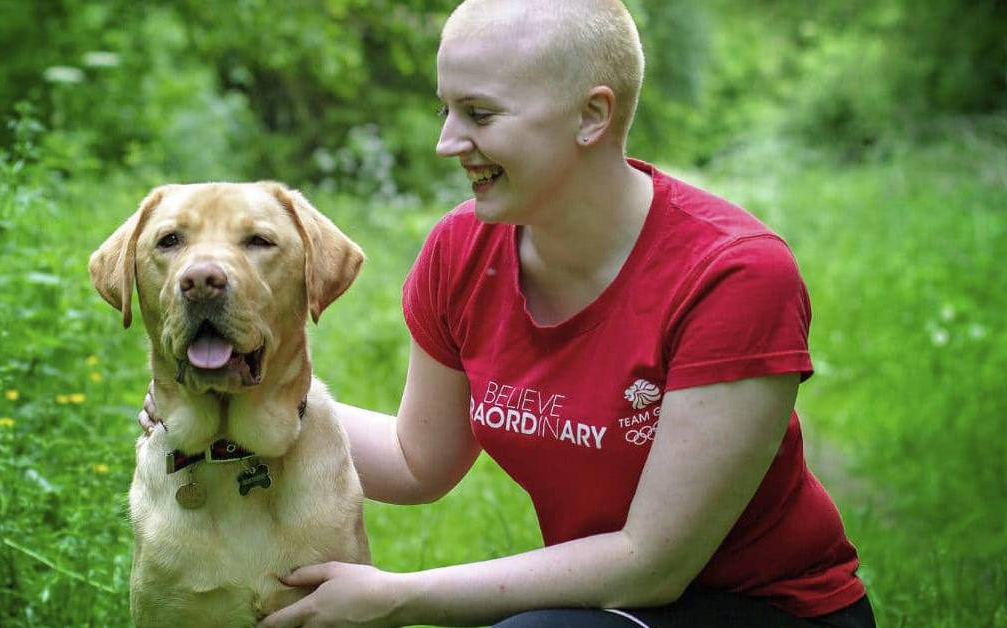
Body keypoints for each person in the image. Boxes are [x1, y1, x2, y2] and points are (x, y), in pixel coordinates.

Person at [139, 0, 877, 626]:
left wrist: (397, 596)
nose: (446, 142)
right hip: (601, 605)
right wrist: (251, 402)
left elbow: (650, 565)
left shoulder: (735, 274)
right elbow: (417, 460)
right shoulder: (464, 250)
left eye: (479, 114)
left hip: (766, 607)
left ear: (592, 116)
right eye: (446, 109)